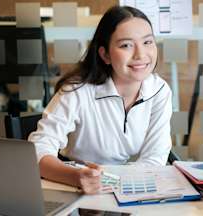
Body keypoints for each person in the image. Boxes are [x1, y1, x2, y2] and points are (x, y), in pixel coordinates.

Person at [28, 6, 172, 194]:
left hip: (122, 188)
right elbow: (38, 150)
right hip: (71, 187)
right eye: (126, 45)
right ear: (105, 55)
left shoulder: (159, 90)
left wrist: (114, 180)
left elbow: (154, 160)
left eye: (147, 42)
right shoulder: (77, 91)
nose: (140, 54)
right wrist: (76, 177)